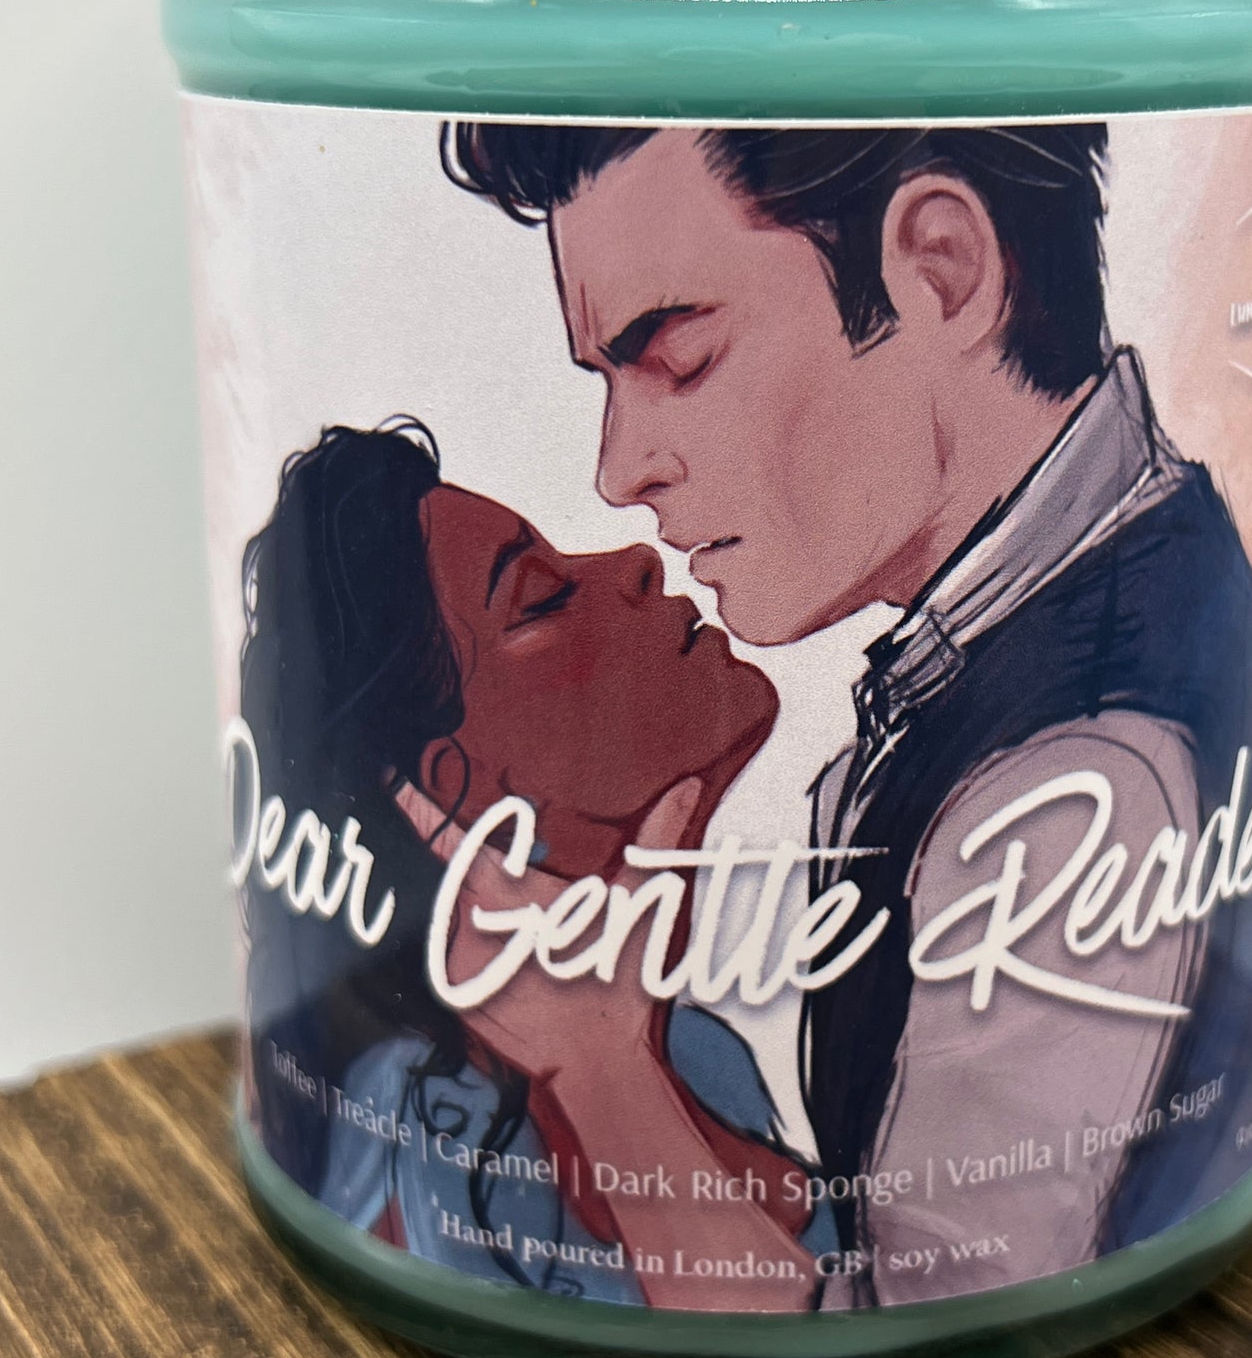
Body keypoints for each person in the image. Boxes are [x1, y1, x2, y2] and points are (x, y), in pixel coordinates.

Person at [446, 121, 1252, 1305]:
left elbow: (912, 1320)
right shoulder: (1086, 610)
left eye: (680, 357)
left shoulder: (1075, 777)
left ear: (939, 270)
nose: (619, 468)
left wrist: (599, 1070)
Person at [236, 418, 829, 1311]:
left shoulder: (705, 1058)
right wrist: (603, 1072)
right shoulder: (411, 1136)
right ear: (455, 784)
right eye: (543, 598)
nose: (635, 561)